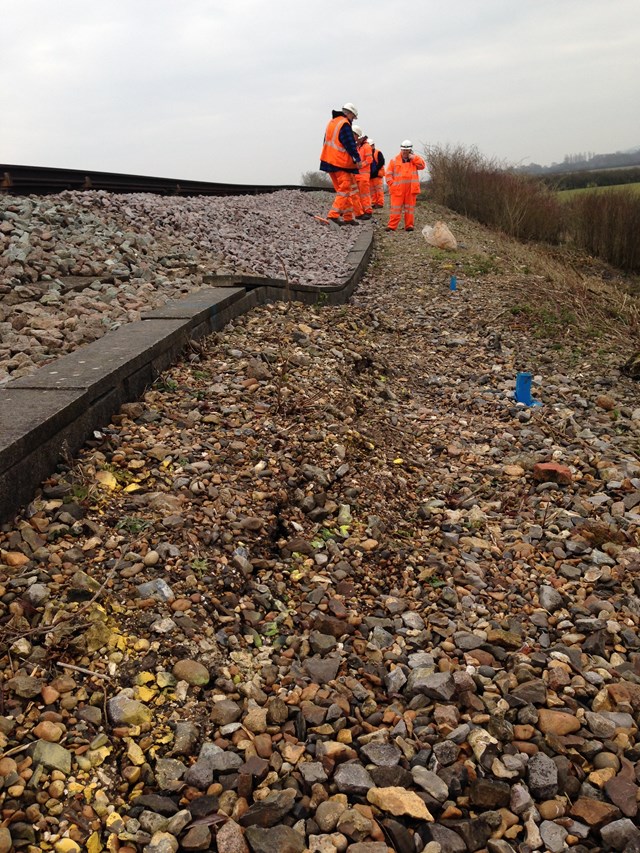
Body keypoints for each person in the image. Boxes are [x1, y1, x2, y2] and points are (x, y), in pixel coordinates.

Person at [319, 102, 363, 226]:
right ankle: (333, 215)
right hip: (340, 163)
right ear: (349, 114)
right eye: (353, 117)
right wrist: (357, 159)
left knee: (343, 191)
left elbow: (325, 141)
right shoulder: (344, 124)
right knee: (344, 190)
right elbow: (349, 144)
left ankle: (348, 217)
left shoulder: (332, 123)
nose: (353, 120)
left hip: (329, 161)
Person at [385, 140, 426, 232]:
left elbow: (422, 165)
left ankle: (409, 226)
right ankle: (392, 226)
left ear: (410, 151)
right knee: (395, 209)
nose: (405, 152)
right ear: (401, 150)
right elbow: (388, 175)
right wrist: (393, 185)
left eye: (407, 151)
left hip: (411, 190)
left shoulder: (414, 161)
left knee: (409, 209)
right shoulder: (394, 161)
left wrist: (414, 158)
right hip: (398, 190)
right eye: (403, 150)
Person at [352, 125, 373, 219]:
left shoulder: (366, 146)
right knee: (358, 195)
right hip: (357, 174)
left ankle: (368, 211)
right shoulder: (358, 147)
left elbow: (369, 159)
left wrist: (360, 165)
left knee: (364, 194)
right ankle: (360, 212)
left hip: (363, 175)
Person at [368, 139, 386, 209]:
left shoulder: (378, 152)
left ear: (373, 145)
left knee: (378, 190)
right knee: (372, 190)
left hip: (377, 174)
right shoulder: (368, 154)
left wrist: (376, 170)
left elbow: (381, 162)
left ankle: (380, 203)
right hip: (371, 175)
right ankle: (374, 203)